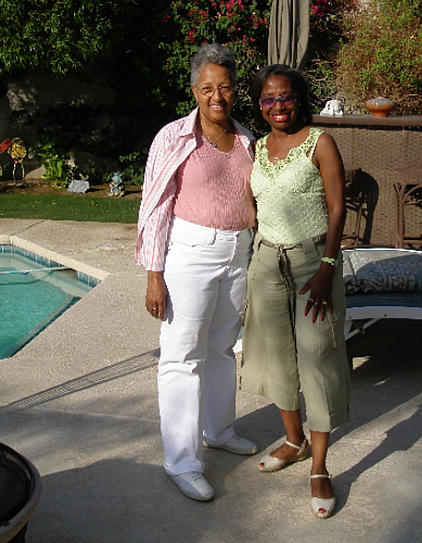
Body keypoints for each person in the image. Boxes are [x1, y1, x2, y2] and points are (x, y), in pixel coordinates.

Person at [136, 43, 259, 502]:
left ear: (234, 90)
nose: (216, 96)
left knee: (223, 349)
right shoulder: (173, 137)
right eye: (208, 88)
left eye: (224, 87)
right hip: (189, 253)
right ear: (194, 90)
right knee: (182, 357)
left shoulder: (247, 139)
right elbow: (154, 205)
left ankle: (219, 431)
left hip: (237, 253)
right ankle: (182, 463)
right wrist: (154, 273)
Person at [240, 64, 351, 519]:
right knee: (276, 356)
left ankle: (321, 467)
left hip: (312, 263)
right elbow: (253, 201)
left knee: (318, 357)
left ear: (299, 99)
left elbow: (337, 206)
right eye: (268, 99)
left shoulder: (320, 142)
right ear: (260, 105)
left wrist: (326, 265)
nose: (278, 106)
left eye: (285, 97)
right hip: (267, 260)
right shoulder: (257, 147)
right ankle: (293, 441)